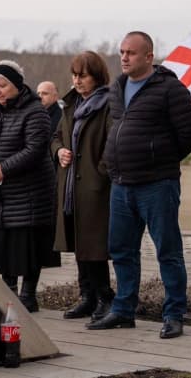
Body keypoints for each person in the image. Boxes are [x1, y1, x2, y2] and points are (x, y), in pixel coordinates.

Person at [87, 31, 191, 340]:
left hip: (157, 185)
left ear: (149, 56)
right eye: (121, 51)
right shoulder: (117, 88)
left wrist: (159, 159)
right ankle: (123, 310)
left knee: (168, 251)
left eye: (131, 53)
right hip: (122, 186)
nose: (124, 57)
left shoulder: (170, 89)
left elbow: (190, 134)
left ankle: (174, 313)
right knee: (122, 250)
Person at [0, 60, 59, 312]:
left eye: (2, 85)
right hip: (1, 192)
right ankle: (9, 292)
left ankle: (28, 295)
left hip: (31, 191)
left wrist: (4, 167)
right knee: (4, 245)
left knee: (28, 246)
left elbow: (35, 148)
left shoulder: (35, 111)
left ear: (15, 84)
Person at [50, 51, 114, 323]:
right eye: (74, 75)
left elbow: (113, 145)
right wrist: (59, 151)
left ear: (96, 77)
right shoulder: (71, 104)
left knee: (95, 245)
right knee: (78, 242)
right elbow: (55, 137)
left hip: (94, 187)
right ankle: (86, 297)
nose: (77, 81)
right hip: (70, 187)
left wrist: (99, 174)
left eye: (83, 76)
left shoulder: (108, 104)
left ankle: (104, 297)